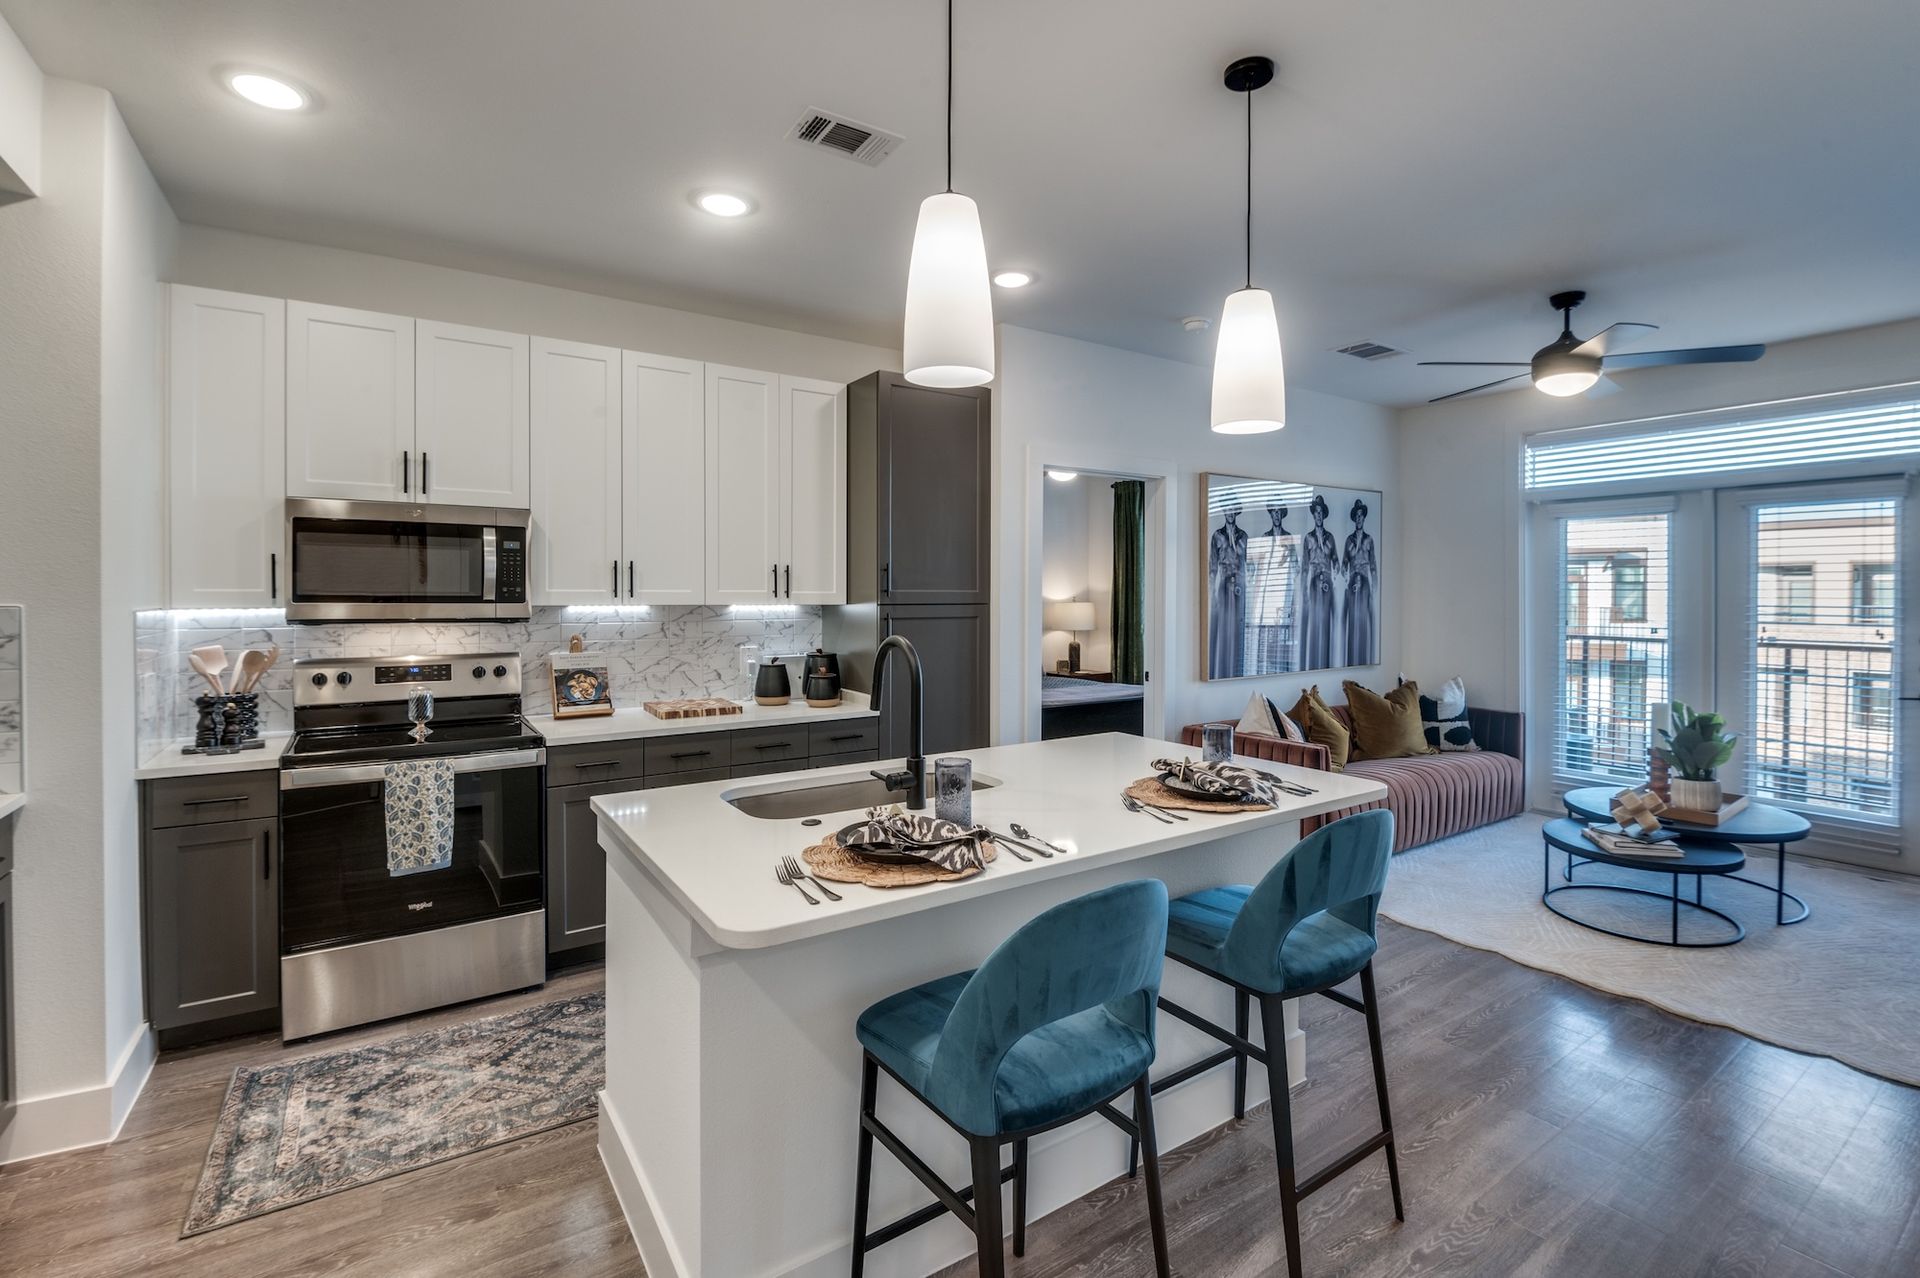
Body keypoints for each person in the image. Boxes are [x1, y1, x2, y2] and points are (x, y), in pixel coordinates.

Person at [1208, 500, 1249, 677]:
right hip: (1224, 585)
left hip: (1240, 585)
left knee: (1238, 630)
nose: (1230, 512)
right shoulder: (1217, 535)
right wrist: (1211, 592)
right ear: (1224, 512)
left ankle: (1237, 672)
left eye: (1233, 509)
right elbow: (1212, 567)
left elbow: (1249, 563)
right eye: (1228, 509)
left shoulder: (1244, 536)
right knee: (1223, 628)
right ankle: (1220, 671)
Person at [1299, 494, 1337, 671]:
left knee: (1326, 623)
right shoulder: (1308, 538)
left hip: (1327, 583)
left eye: (1321, 513)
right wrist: (1304, 591)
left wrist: (1336, 577)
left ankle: (1327, 665)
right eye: (1316, 512)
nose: (1318, 516)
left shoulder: (1330, 538)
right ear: (1313, 515)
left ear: (1323, 515)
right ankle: (1313, 665)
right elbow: (1305, 567)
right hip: (1314, 582)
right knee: (1314, 623)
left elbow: (1336, 562)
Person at [1343, 498, 1379, 667]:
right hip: (1352, 585)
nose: (1359, 519)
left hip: (1365, 585)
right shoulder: (1349, 541)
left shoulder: (1369, 540)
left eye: (1361, 516)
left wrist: (1374, 589)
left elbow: (1373, 566)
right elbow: (1343, 565)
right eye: (1356, 516)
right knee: (1351, 622)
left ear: (1364, 518)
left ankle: (1364, 660)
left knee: (1364, 623)